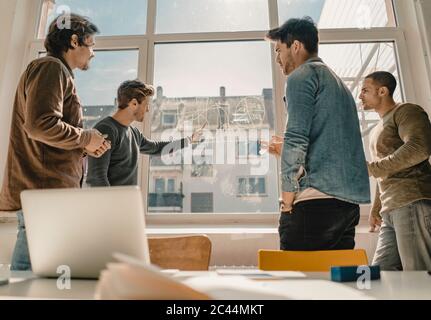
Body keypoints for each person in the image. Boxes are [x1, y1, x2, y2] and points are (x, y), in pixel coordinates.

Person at [0, 14, 111, 271]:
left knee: (37, 282)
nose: (93, 53)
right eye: (91, 44)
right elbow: (40, 125)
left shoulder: (56, 72)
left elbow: (46, 132)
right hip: (44, 196)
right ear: (74, 41)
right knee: (30, 284)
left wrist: (86, 145)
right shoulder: (50, 68)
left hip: (47, 196)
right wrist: (85, 138)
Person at [264, 17, 370, 251]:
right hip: (347, 205)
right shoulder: (339, 85)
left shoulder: (301, 76)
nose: (278, 59)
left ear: (296, 46)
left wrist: (287, 201)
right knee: (334, 284)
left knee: (299, 285)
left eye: (278, 50)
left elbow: (296, 139)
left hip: (314, 205)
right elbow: (333, 144)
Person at [359, 71, 431, 270]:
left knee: (418, 276)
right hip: (390, 209)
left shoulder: (407, 111)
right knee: (382, 275)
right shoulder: (376, 129)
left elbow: (419, 148)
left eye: (365, 90)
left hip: (411, 202)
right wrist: (376, 208)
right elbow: (382, 170)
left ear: (382, 91)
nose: (360, 96)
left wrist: (371, 168)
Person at [86, 80, 203, 187]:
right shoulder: (106, 129)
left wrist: (189, 140)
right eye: (146, 105)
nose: (147, 110)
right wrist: (112, 206)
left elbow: (157, 147)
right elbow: (97, 178)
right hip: (112, 207)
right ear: (134, 104)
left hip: (127, 204)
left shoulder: (134, 133)